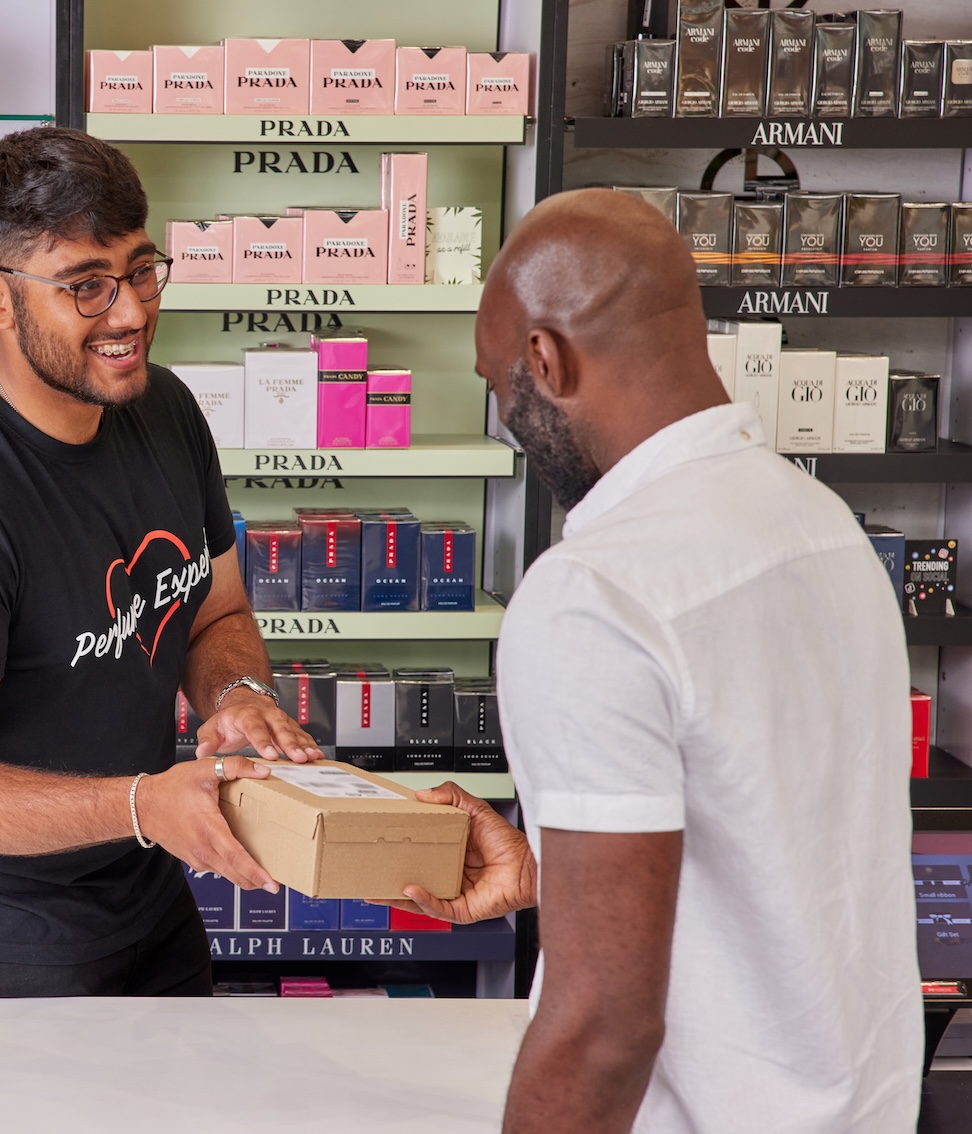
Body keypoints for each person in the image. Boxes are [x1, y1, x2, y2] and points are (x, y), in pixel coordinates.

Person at [390, 189, 922, 1131]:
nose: (505, 419)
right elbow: (775, 848)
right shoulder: (822, 530)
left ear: (545, 361)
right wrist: (555, 864)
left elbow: (606, 1027)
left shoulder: (593, 594)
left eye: (496, 383)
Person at [0, 126, 324, 997]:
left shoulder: (165, 409)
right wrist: (144, 805)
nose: (130, 313)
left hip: (147, 898)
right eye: (86, 286)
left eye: (141, 271)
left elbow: (215, 612)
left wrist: (238, 698)